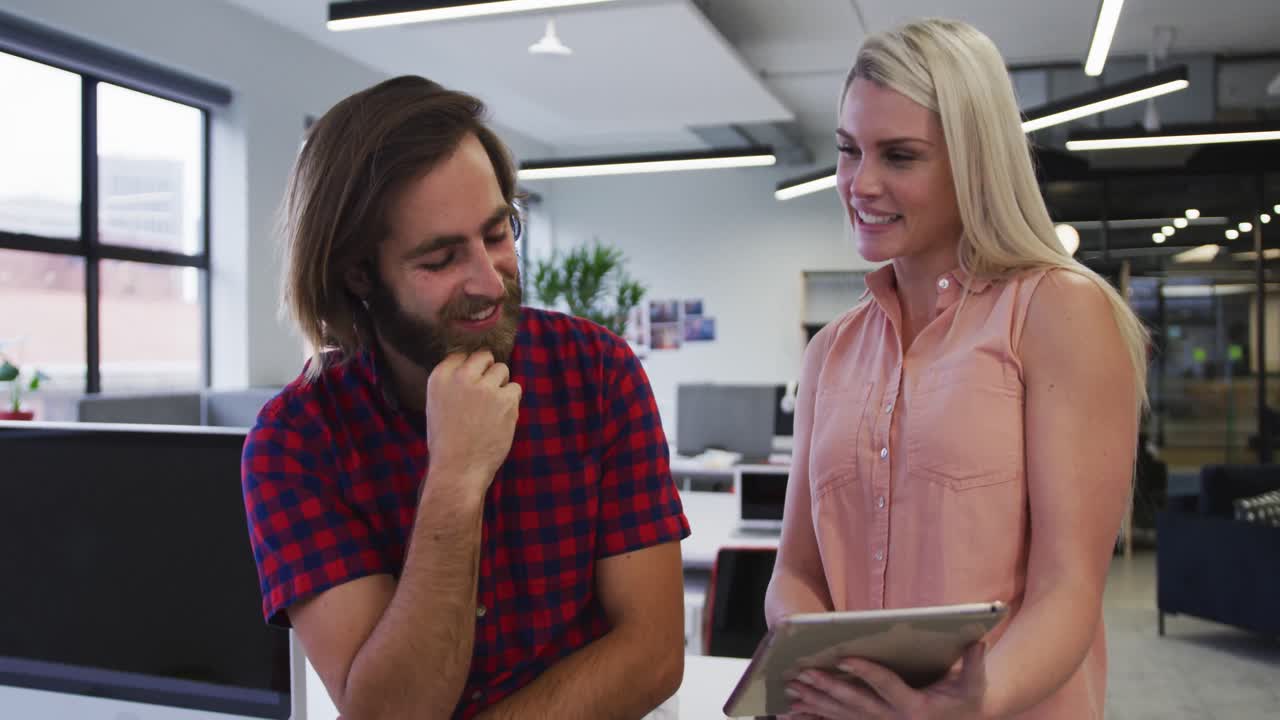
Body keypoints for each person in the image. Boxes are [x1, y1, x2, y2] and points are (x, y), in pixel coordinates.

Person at [240, 75, 689, 720]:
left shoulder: (596, 371)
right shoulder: (296, 443)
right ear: (358, 272)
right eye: (441, 259)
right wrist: (455, 480)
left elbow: (653, 654)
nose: (490, 280)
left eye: (498, 234)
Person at [764, 18, 1147, 720]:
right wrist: (821, 667)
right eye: (849, 150)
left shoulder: (1058, 312)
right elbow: (796, 569)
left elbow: (1068, 590)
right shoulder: (831, 351)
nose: (860, 183)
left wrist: (968, 702)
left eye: (900, 156)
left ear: (975, 161)